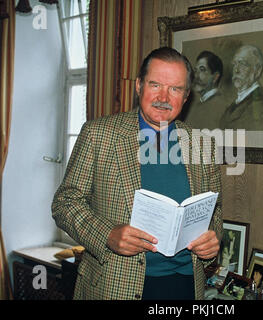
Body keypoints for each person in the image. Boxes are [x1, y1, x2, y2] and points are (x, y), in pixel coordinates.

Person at [52, 47, 222, 300]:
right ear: (139, 86)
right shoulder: (99, 134)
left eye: (175, 89)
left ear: (186, 96)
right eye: (155, 85)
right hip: (114, 286)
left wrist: (212, 239)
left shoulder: (201, 145)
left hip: (186, 287)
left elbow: (214, 212)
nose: (163, 97)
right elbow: (65, 203)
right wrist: (107, 234)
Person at [220, 45, 263, 131]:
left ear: (257, 70)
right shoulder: (231, 107)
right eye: (234, 64)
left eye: (243, 64)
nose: (236, 70)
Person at [184, 51, 229, 130]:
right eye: (196, 70)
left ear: (215, 77)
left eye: (202, 70)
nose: (196, 76)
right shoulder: (195, 105)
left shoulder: (222, 107)